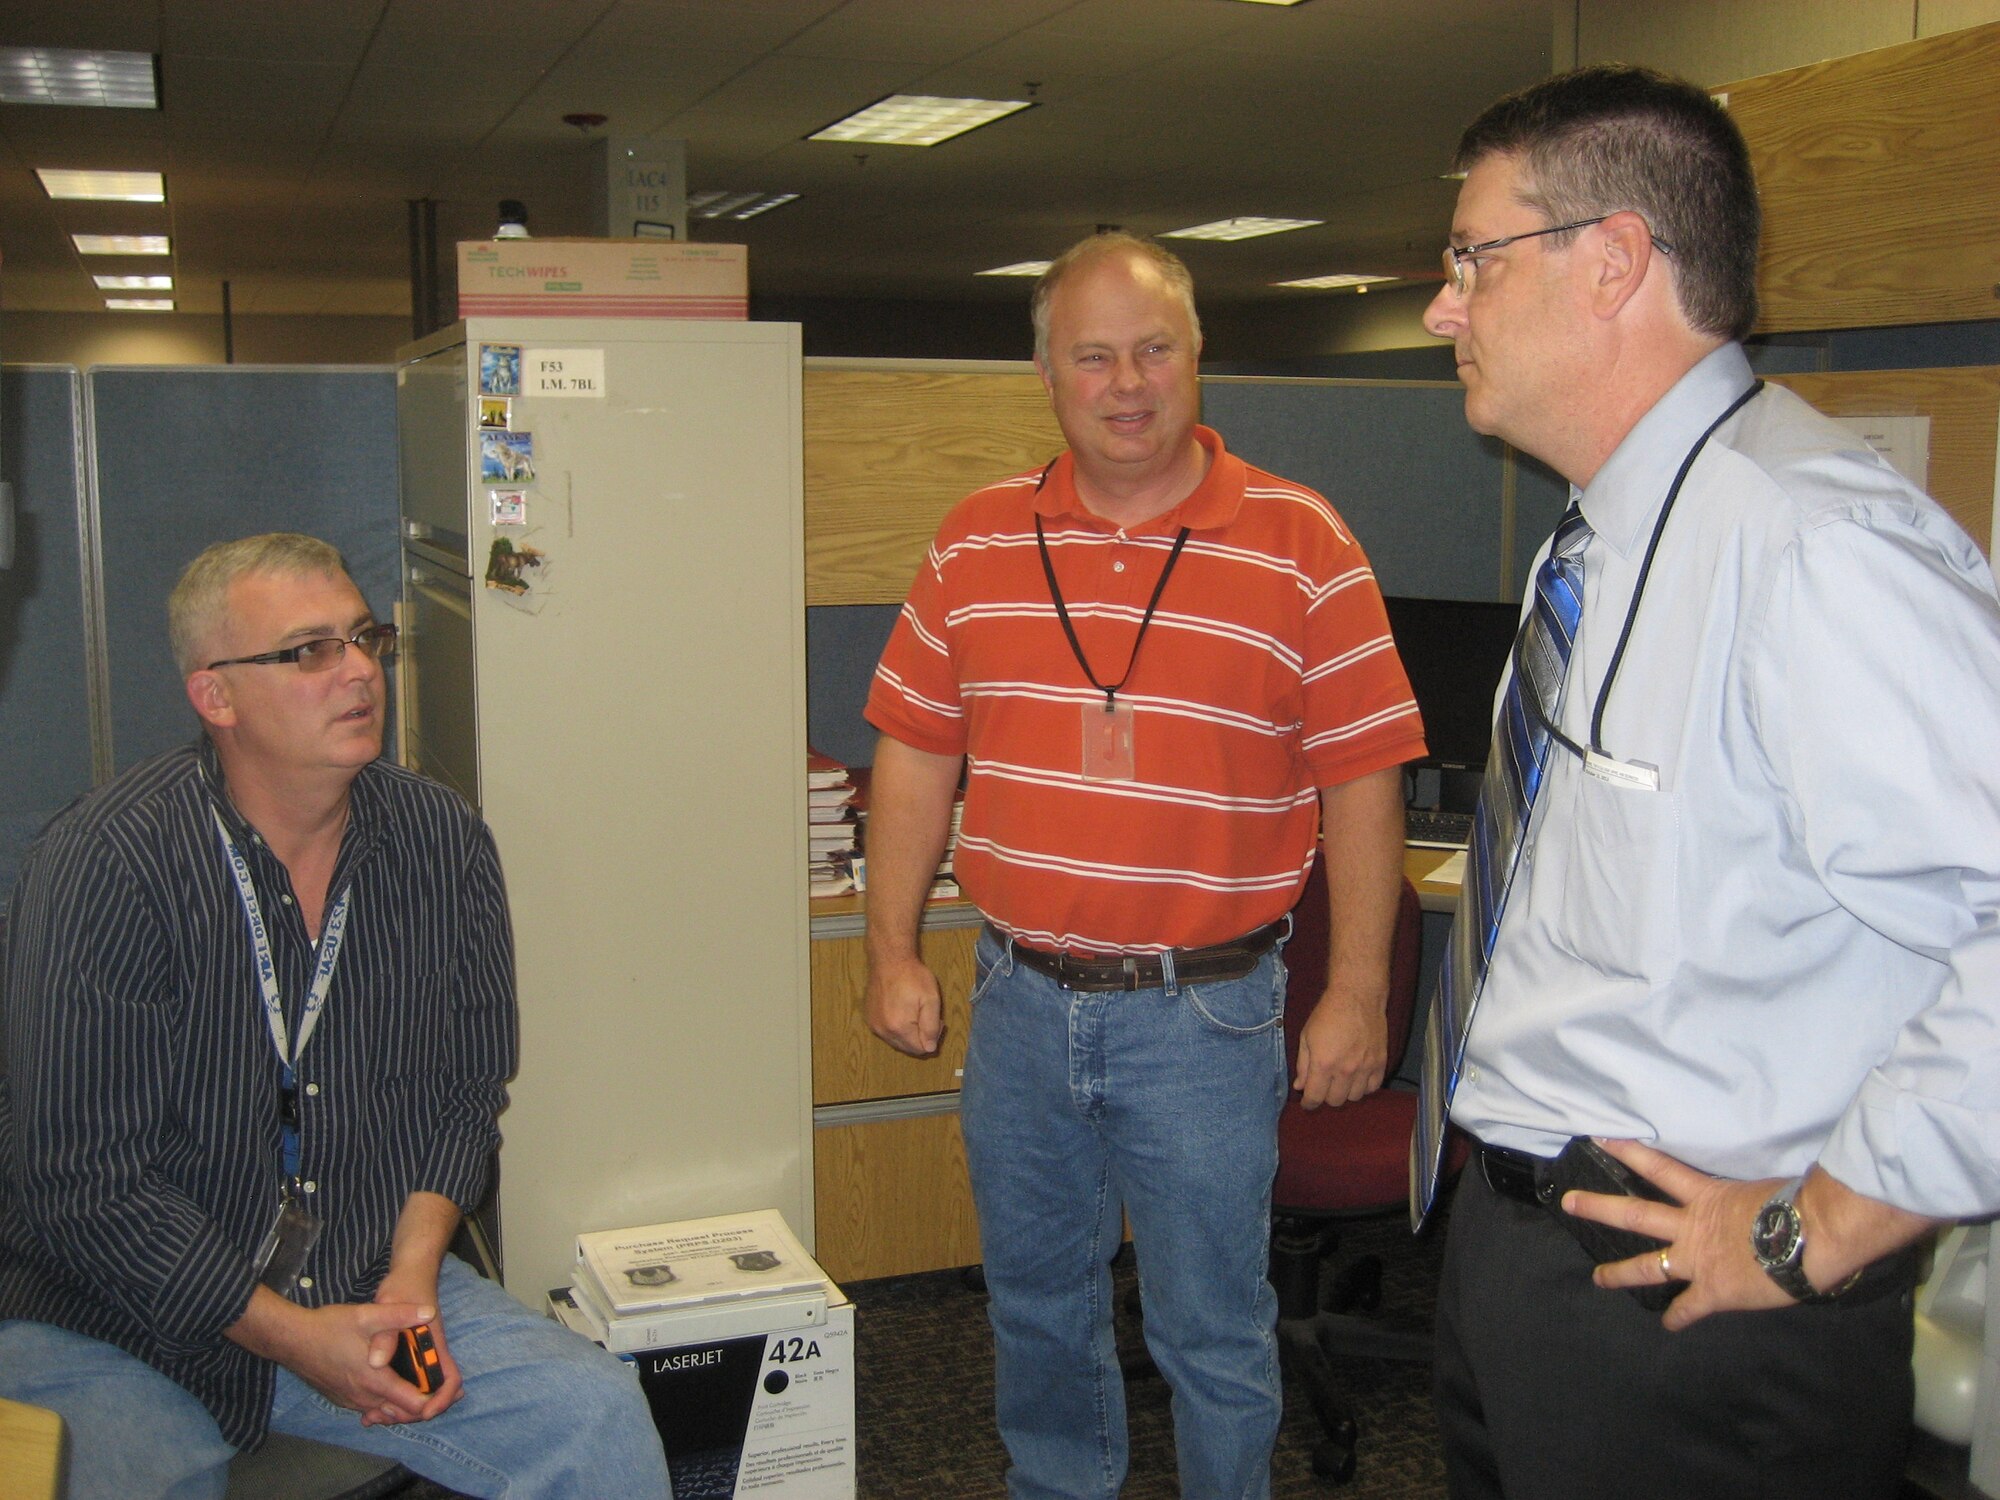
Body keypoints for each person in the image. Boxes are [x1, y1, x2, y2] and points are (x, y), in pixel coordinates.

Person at [1413, 64, 2000, 1500]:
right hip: (1522, 1255)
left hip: (1696, 1317)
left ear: (1612, 261)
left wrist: (1823, 1227)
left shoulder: (1812, 549)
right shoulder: (1598, 546)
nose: (1440, 309)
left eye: (1472, 260)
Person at [863, 231, 1425, 1498]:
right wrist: (887, 947)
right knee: (1036, 1311)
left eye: (1153, 349)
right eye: (1093, 356)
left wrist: (1354, 991)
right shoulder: (974, 541)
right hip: (1018, 1000)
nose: (1126, 384)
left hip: (1204, 1016)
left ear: (1196, 355)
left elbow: (1362, 778)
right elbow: (914, 751)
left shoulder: (1301, 541)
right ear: (1047, 374)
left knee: (1210, 1334)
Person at [0, 534, 670, 1499]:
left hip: (358, 1279)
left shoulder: (440, 840)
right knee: (161, 1478)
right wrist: (291, 1338)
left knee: (593, 1415)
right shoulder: (107, 863)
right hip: (115, 1313)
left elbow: (464, 1095)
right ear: (216, 697)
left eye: (364, 638)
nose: (359, 670)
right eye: (309, 650)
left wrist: (410, 1279)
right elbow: (83, 1182)